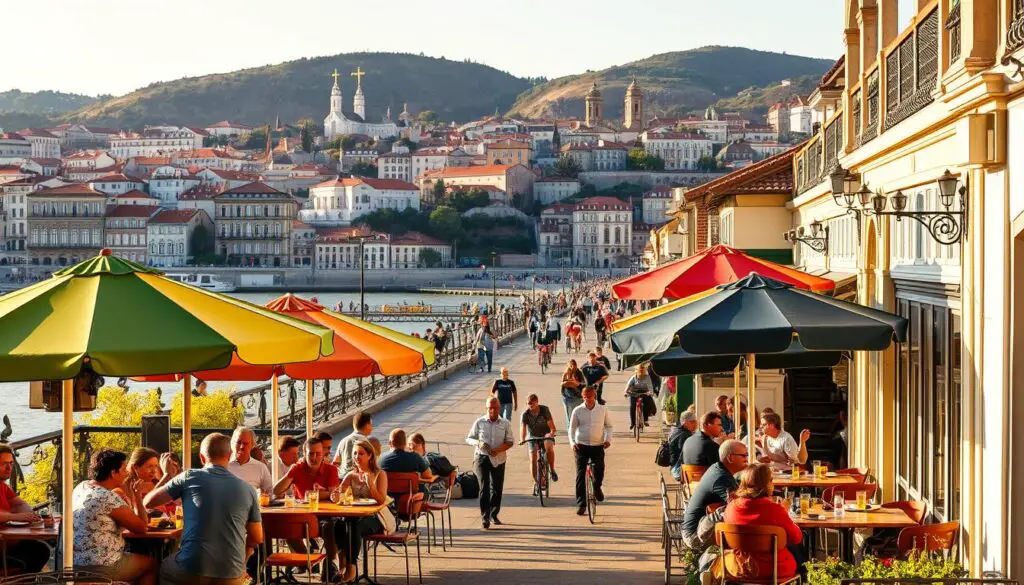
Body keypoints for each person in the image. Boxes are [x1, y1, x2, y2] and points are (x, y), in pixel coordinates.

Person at [145, 434, 263, 585]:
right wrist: (243, 559)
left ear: (201, 458)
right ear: (230, 455)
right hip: (231, 574)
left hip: (192, 569)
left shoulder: (189, 477)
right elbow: (257, 537)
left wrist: (167, 474)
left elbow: (148, 502)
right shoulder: (249, 489)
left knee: (164, 567)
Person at [73, 449, 156, 584]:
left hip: (73, 562)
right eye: (123, 469)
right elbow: (141, 527)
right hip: (101, 565)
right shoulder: (108, 497)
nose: (126, 472)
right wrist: (137, 497)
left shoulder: (81, 487)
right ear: (113, 472)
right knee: (151, 565)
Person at [724, 463, 804, 579]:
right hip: (774, 569)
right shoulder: (775, 510)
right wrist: (785, 513)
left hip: (738, 567)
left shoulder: (731, 507)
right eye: (771, 480)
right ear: (767, 484)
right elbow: (797, 537)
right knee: (798, 551)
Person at [334, 440, 388, 582]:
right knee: (338, 524)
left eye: (361, 453)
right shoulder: (351, 475)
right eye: (355, 453)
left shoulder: (379, 474)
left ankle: (351, 567)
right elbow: (339, 494)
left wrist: (370, 484)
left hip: (375, 518)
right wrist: (335, 495)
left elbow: (381, 500)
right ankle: (342, 560)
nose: (357, 457)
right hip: (354, 515)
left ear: (370, 455)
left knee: (354, 526)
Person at [681, 439, 748, 548]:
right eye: (744, 456)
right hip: (696, 535)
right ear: (730, 458)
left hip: (698, 528)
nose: (747, 459)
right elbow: (740, 506)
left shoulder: (717, 468)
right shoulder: (722, 478)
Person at [0, 444, 50, 573]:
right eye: (4, 464)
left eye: (11, 463)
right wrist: (14, 517)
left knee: (41, 550)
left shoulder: (3, 486)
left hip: (7, 541)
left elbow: (19, 503)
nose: (9, 468)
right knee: (24, 561)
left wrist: (31, 515)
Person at [465, 397, 514, 529]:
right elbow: (469, 438)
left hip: (499, 458)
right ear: (486, 408)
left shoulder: (505, 423)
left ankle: (494, 513)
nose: (492, 410)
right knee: (484, 487)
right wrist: (479, 443)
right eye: (490, 408)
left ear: (499, 408)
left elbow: (510, 441)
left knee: (497, 488)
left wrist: (497, 450)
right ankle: (485, 517)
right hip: (482, 457)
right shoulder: (480, 422)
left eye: (495, 407)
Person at [569, 386, 612, 515]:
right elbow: (571, 429)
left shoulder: (602, 409)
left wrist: (607, 439)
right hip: (581, 445)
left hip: (597, 445)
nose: (588, 399)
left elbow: (609, 426)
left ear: (595, 396)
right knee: (580, 475)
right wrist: (572, 443)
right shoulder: (577, 410)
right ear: (583, 397)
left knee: (599, 470)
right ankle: (581, 504)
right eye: (585, 397)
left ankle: (597, 487)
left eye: (590, 396)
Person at [274, 437, 340, 501]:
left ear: (322, 454)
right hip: (302, 510)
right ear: (304, 453)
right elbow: (276, 491)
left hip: (326, 510)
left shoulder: (331, 469)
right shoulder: (297, 468)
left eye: (318, 454)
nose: (314, 458)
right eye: (311, 454)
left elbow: (334, 496)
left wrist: (310, 494)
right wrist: (290, 473)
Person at [113, 448, 177, 509]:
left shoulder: (155, 484)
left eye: (156, 466)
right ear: (136, 468)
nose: (154, 471)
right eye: (149, 466)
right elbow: (146, 507)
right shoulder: (122, 488)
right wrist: (166, 476)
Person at [519, 393, 559, 492]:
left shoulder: (544, 410)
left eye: (532, 403)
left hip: (545, 434)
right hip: (533, 436)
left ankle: (552, 470)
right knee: (533, 457)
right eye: (528, 404)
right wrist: (522, 439)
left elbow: (552, 426)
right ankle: (536, 482)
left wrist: (551, 433)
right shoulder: (525, 414)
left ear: (537, 402)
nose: (530, 406)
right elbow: (522, 428)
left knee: (549, 447)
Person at [379, 429, 434, 498]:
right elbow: (428, 475)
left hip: (389, 497)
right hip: (411, 498)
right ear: (405, 443)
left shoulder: (381, 459)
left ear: (390, 443)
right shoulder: (415, 457)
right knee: (425, 492)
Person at [227, 427, 273, 495]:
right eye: (238, 442)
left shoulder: (260, 467)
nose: (242, 446)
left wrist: (263, 494)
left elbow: (270, 492)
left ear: (252, 445)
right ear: (232, 444)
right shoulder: (224, 467)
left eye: (245, 443)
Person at [333, 410, 373, 476]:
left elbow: (335, 463)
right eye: (371, 424)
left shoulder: (343, 441)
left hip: (343, 478)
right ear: (367, 425)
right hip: (359, 480)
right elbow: (372, 465)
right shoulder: (365, 442)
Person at [669, 410, 699, 481]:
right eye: (692, 422)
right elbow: (688, 455)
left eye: (695, 421)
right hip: (679, 469)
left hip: (674, 467)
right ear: (685, 423)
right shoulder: (684, 435)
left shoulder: (676, 430)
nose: (695, 424)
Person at [623, 363, 655, 430]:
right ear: (636, 370)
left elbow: (650, 387)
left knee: (647, 404)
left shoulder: (647, 377)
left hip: (645, 393)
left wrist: (650, 392)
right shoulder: (634, 377)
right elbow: (628, 385)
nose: (640, 371)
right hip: (634, 393)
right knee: (632, 406)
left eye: (642, 369)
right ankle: (632, 423)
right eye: (639, 369)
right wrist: (626, 392)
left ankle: (645, 419)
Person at [560, 359, 586, 427]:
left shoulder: (578, 372)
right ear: (568, 366)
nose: (573, 368)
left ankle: (577, 429)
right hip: (568, 398)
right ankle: (571, 431)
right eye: (571, 366)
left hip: (578, 397)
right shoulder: (566, 372)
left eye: (574, 366)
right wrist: (571, 383)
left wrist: (575, 383)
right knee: (570, 417)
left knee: (579, 416)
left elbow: (583, 384)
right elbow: (562, 384)